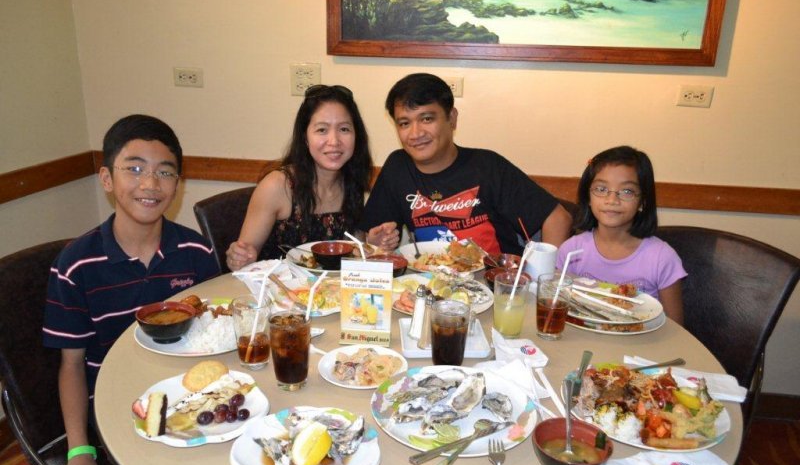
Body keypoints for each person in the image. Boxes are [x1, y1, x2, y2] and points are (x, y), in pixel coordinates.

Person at [42, 114, 220, 465]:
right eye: (135, 169)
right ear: (107, 179)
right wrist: (79, 451)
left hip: (186, 399)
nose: (150, 184)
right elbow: (70, 366)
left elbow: (209, 334)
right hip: (113, 412)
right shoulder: (76, 265)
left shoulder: (196, 252)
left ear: (178, 184)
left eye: (165, 172)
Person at [357, 73, 572, 255]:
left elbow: (558, 218)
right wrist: (375, 243)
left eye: (427, 119)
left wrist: (543, 279)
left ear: (452, 118)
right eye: (404, 123)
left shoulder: (487, 166)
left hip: (494, 282)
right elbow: (370, 237)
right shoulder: (398, 167)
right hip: (430, 282)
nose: (416, 133)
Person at [225, 85, 399, 271]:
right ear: (305, 137)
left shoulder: (351, 182)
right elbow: (243, 261)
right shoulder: (277, 186)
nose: (334, 141)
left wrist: (371, 244)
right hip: (275, 287)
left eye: (344, 129)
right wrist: (238, 258)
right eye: (322, 130)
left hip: (330, 288)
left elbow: (351, 251)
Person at [556, 145, 686, 324]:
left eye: (627, 191)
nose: (611, 200)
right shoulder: (571, 250)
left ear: (642, 200)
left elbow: (675, 327)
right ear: (588, 197)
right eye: (601, 189)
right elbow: (558, 310)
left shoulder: (662, 258)